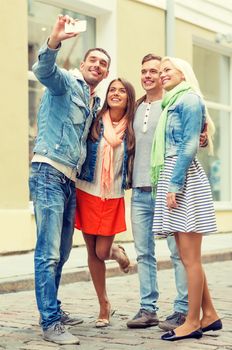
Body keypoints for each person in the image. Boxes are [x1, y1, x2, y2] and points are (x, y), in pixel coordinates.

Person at [29, 14, 110, 345]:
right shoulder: (65, 82)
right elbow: (43, 70)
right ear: (82, 63)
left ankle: (52, 309)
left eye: (104, 64)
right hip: (49, 170)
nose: (98, 66)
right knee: (48, 252)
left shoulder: (93, 101)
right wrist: (54, 41)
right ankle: (50, 323)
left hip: (68, 179)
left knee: (60, 253)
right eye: (93, 60)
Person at [151, 56, 222, 341]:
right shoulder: (173, 102)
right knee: (186, 256)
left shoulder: (189, 100)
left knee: (190, 258)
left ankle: (192, 321)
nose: (162, 74)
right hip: (175, 175)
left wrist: (174, 185)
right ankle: (210, 314)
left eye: (168, 69)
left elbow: (189, 144)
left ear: (184, 73)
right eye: (161, 70)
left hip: (183, 179)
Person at [126, 54, 189, 330]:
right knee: (143, 253)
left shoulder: (173, 103)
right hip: (139, 191)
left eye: (154, 71)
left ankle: (182, 309)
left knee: (178, 252)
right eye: (144, 71)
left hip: (166, 192)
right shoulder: (136, 107)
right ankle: (147, 308)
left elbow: (195, 132)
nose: (149, 75)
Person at [75, 78, 135, 328]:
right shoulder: (95, 121)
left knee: (102, 251)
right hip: (87, 190)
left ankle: (117, 252)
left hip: (112, 196)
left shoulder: (131, 129)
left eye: (122, 90)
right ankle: (104, 304)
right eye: (112, 89)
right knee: (92, 252)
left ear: (129, 98)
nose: (116, 93)